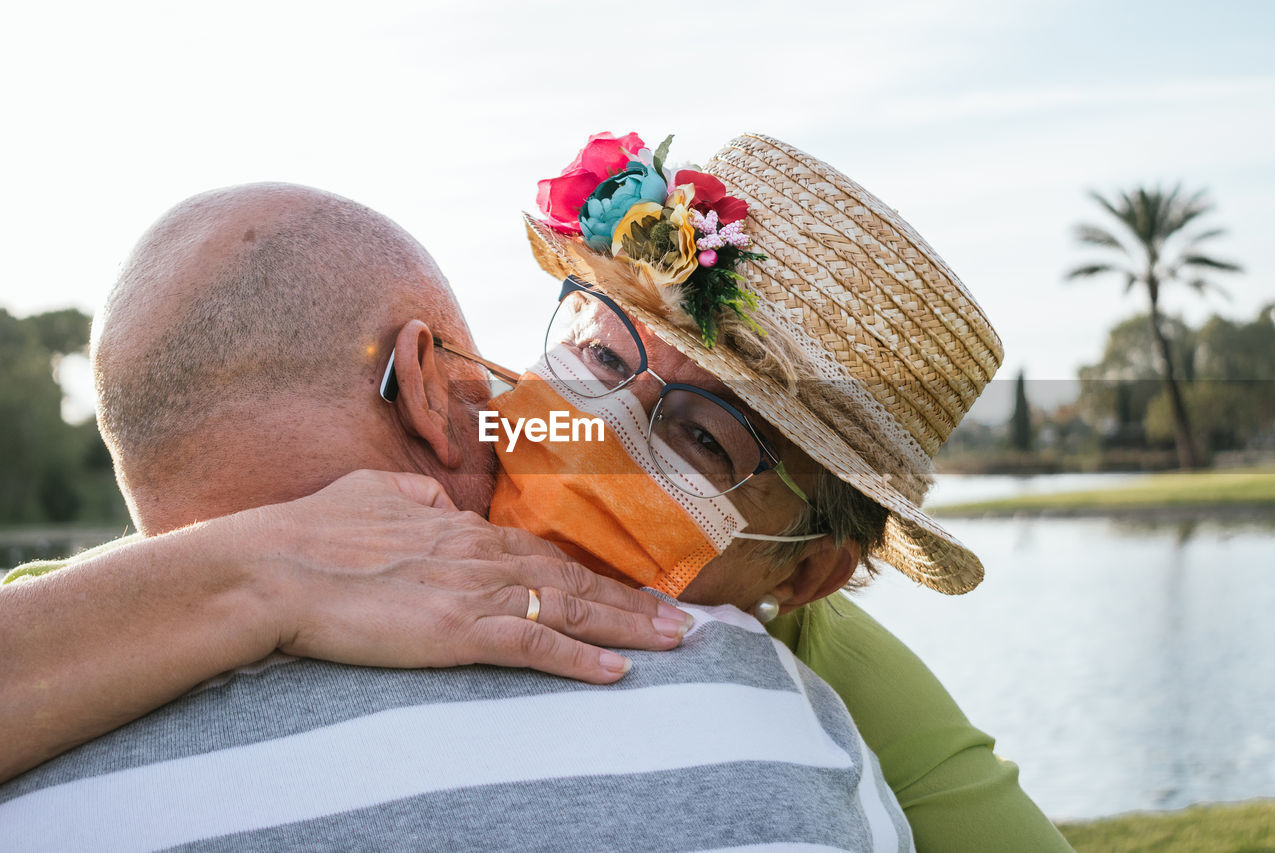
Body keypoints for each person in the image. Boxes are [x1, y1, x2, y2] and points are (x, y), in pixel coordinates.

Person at [2, 132, 1074, 851]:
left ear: (806, 567)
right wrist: (253, 577)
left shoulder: (814, 661)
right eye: (601, 358)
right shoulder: (156, 594)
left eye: (704, 438)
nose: (602, 433)